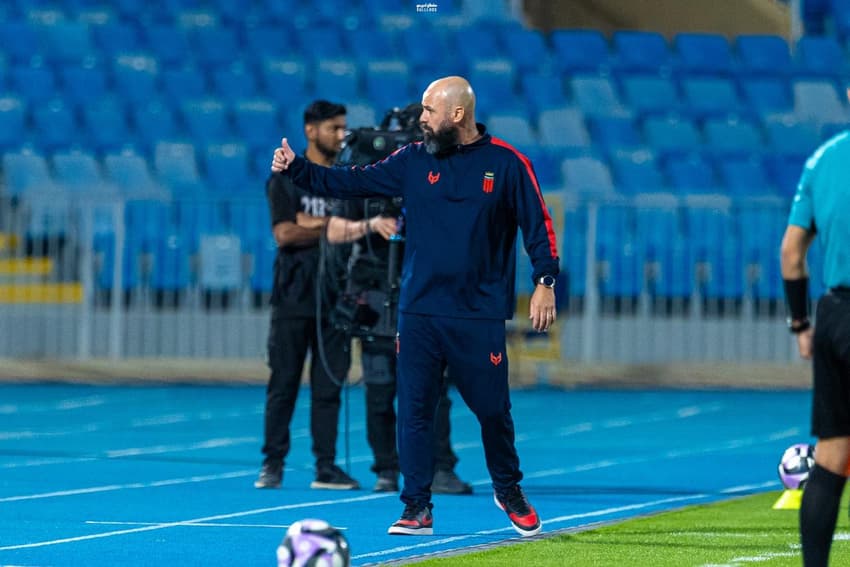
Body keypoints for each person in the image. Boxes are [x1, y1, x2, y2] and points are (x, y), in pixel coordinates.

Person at [271, 76, 559, 537]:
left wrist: (545, 281)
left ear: (457, 114)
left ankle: (508, 490)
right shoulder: (412, 159)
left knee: (492, 411)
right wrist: (298, 169)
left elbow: (538, 226)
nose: (421, 118)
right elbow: (352, 182)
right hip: (420, 310)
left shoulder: (507, 163)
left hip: (478, 313)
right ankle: (417, 507)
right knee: (415, 410)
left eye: (429, 110)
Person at [255, 100, 392, 491]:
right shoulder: (286, 178)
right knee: (283, 383)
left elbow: (341, 226)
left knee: (329, 386)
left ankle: (326, 467)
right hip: (293, 296)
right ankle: (272, 463)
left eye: (344, 127)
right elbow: (284, 233)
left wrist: (316, 224)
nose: (341, 135)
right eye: (334, 128)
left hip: (336, 297)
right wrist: (334, 226)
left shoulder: (345, 180)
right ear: (311, 130)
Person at [330, 197, 473, 495]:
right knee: (379, 393)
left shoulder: (430, 183)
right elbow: (332, 231)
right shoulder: (364, 186)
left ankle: (440, 468)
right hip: (375, 299)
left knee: (433, 392)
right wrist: (371, 225)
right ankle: (386, 468)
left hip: (424, 295)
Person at [780, 129, 850, 566]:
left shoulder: (823, 159)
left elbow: (791, 252)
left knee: (831, 456)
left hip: (836, 314)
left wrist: (800, 323)